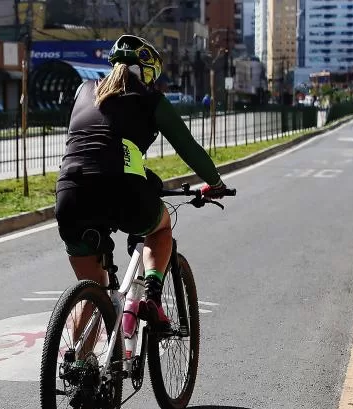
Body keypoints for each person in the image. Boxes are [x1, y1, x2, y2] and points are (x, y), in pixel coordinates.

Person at [55, 34, 228, 329]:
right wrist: (216, 183)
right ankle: (152, 295)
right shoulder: (152, 100)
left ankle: (78, 363)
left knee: (91, 290)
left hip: (70, 192)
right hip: (123, 191)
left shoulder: (83, 90)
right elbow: (188, 148)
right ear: (148, 73)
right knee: (160, 227)